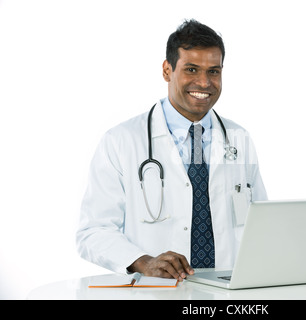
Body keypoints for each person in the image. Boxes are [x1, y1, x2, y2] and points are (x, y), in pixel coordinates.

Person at [76, 19, 267, 282]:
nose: (204, 82)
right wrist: (144, 262)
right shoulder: (121, 141)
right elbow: (93, 231)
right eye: (191, 69)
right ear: (167, 70)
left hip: (228, 292)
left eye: (214, 71)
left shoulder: (238, 139)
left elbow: (263, 226)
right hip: (158, 291)